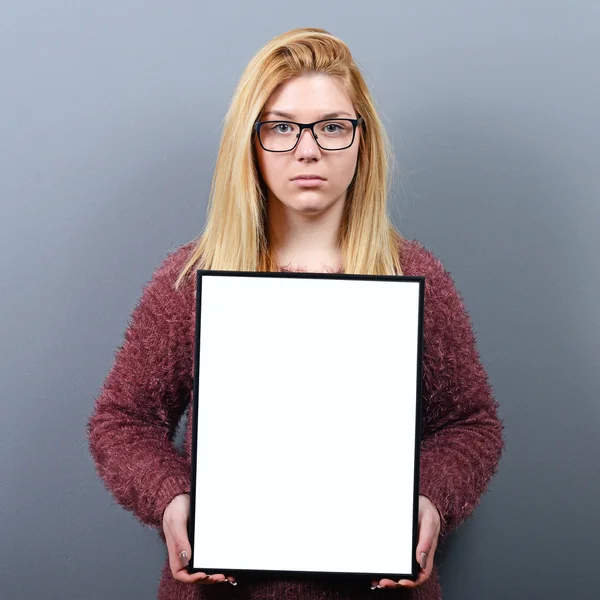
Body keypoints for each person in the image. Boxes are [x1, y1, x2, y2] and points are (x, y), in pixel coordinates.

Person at [87, 27, 504, 600]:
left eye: (333, 126)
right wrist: (172, 497)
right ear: (251, 143)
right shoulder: (190, 280)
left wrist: (428, 498)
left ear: (363, 142)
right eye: (282, 126)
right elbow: (122, 420)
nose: (308, 148)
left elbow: (470, 425)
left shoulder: (414, 274)